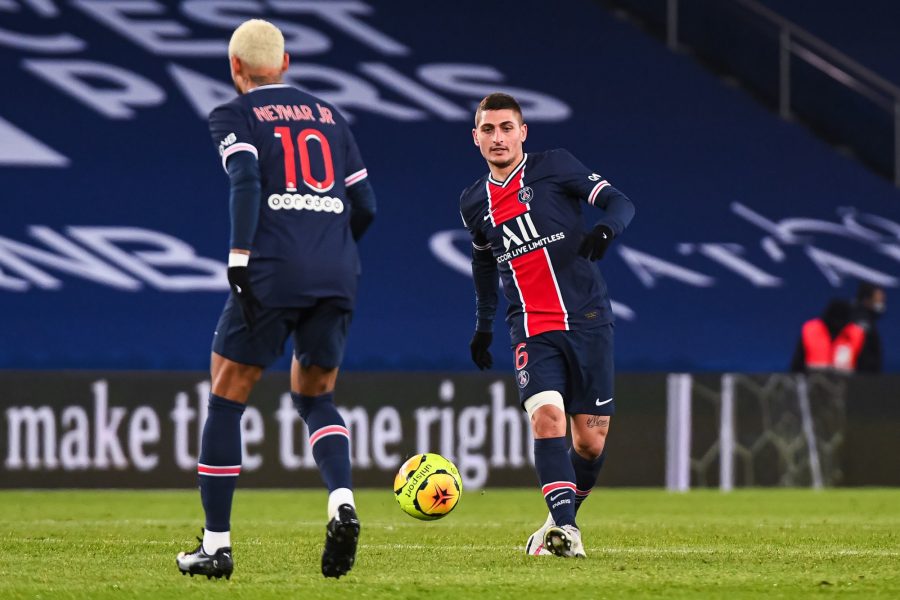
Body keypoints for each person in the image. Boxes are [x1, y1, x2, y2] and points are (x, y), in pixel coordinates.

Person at [176, 19, 376, 580]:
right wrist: (328, 248)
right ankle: (342, 502)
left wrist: (240, 256)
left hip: (270, 269)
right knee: (316, 398)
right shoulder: (331, 117)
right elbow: (367, 205)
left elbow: (245, 178)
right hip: (337, 271)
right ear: (285, 64)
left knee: (226, 394)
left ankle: (216, 545)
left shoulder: (234, 114)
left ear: (235, 67)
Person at [459, 93, 635, 558]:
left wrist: (606, 229)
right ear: (475, 137)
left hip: (589, 320)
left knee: (591, 444)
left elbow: (620, 202)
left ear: (523, 133)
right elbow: (484, 264)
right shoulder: (474, 203)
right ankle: (566, 529)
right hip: (531, 329)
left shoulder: (555, 166)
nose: (498, 138)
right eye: (488, 130)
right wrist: (483, 326)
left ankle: (557, 524)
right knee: (547, 416)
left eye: (505, 128)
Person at [790, 299, 852, 372]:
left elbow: (863, 369)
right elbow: (797, 364)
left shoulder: (855, 334)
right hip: (813, 380)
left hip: (846, 382)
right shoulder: (811, 331)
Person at [849, 281, 886, 373]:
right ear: (866, 299)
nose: (881, 304)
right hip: (860, 377)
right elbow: (861, 352)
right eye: (877, 301)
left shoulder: (867, 318)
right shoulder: (860, 318)